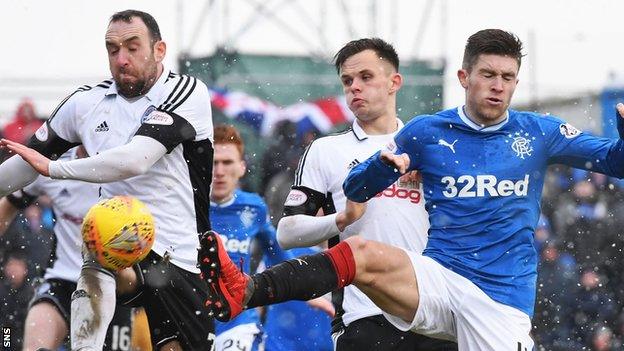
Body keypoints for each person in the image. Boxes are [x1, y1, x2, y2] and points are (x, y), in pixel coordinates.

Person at [197, 29, 624, 351]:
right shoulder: (427, 132)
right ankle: (246, 291)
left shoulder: (540, 132)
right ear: (464, 76)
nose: (498, 85)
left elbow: (614, 161)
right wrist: (381, 171)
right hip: (436, 281)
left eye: (508, 77)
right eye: (488, 74)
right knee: (361, 254)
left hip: (500, 300)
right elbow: (355, 186)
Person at [0, 9, 214, 351]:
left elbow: (135, 161)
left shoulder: (186, 91)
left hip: (180, 256)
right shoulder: (85, 102)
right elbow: (24, 164)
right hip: (119, 249)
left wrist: (53, 168)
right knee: (101, 237)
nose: (121, 59)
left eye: (132, 47)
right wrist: (38, 166)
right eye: (112, 50)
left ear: (159, 50)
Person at [274, 38, 456, 350]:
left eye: (366, 77)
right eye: (348, 81)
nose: (354, 87)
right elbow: (287, 233)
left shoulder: (432, 149)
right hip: (364, 316)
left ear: (394, 82)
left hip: (433, 312)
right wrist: (343, 218)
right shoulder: (326, 150)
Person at [0, 146, 138, 351]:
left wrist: (115, 261)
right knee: (24, 342)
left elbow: (132, 281)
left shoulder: (126, 168)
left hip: (111, 285)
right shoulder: (51, 166)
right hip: (60, 281)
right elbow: (6, 207)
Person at [209, 124, 332, 350]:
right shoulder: (187, 206)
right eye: (214, 162)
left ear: (242, 167)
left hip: (237, 321)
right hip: (191, 314)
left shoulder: (254, 207)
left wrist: (303, 289)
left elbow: (276, 251)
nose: (219, 171)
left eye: (227, 163)